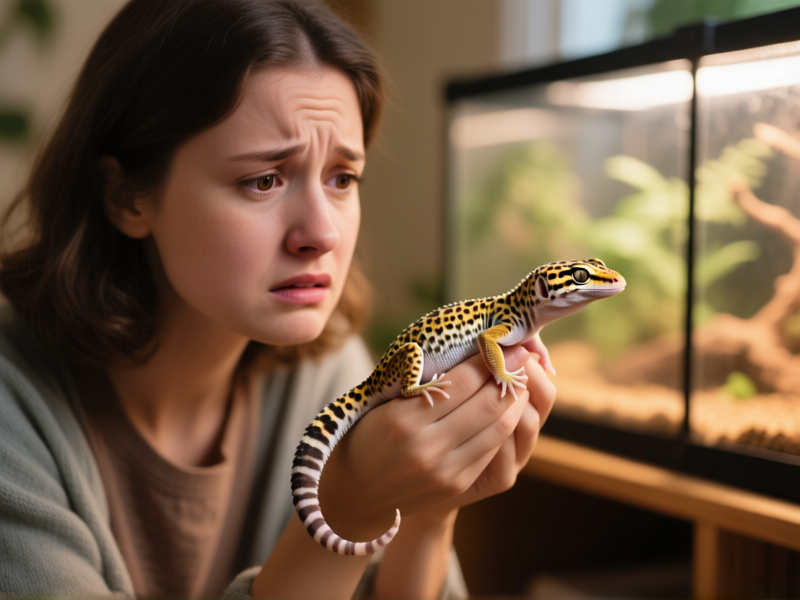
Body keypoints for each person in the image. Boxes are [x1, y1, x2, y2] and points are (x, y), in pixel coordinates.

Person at [0, 0, 556, 597]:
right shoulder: (17, 411)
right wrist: (347, 508)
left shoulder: (328, 371)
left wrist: (426, 509)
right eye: (263, 180)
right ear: (127, 196)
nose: (322, 234)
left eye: (342, 178)